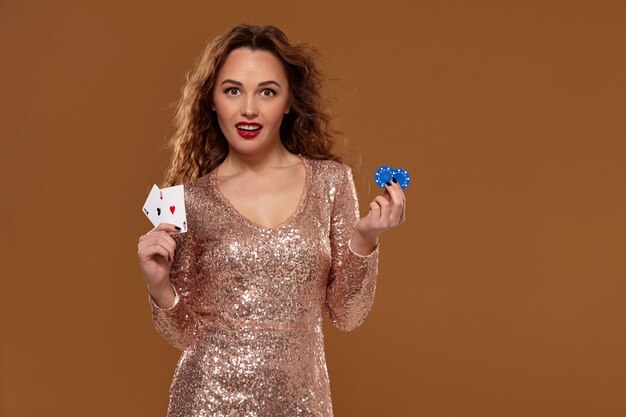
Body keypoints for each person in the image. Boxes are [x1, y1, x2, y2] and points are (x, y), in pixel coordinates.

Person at [137, 24, 406, 416]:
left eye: (267, 91)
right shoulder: (187, 202)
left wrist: (364, 241)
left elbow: (348, 316)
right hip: (206, 402)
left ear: (288, 102)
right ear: (212, 101)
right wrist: (160, 287)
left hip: (302, 404)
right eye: (233, 90)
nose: (249, 108)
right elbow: (183, 333)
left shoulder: (331, 183)